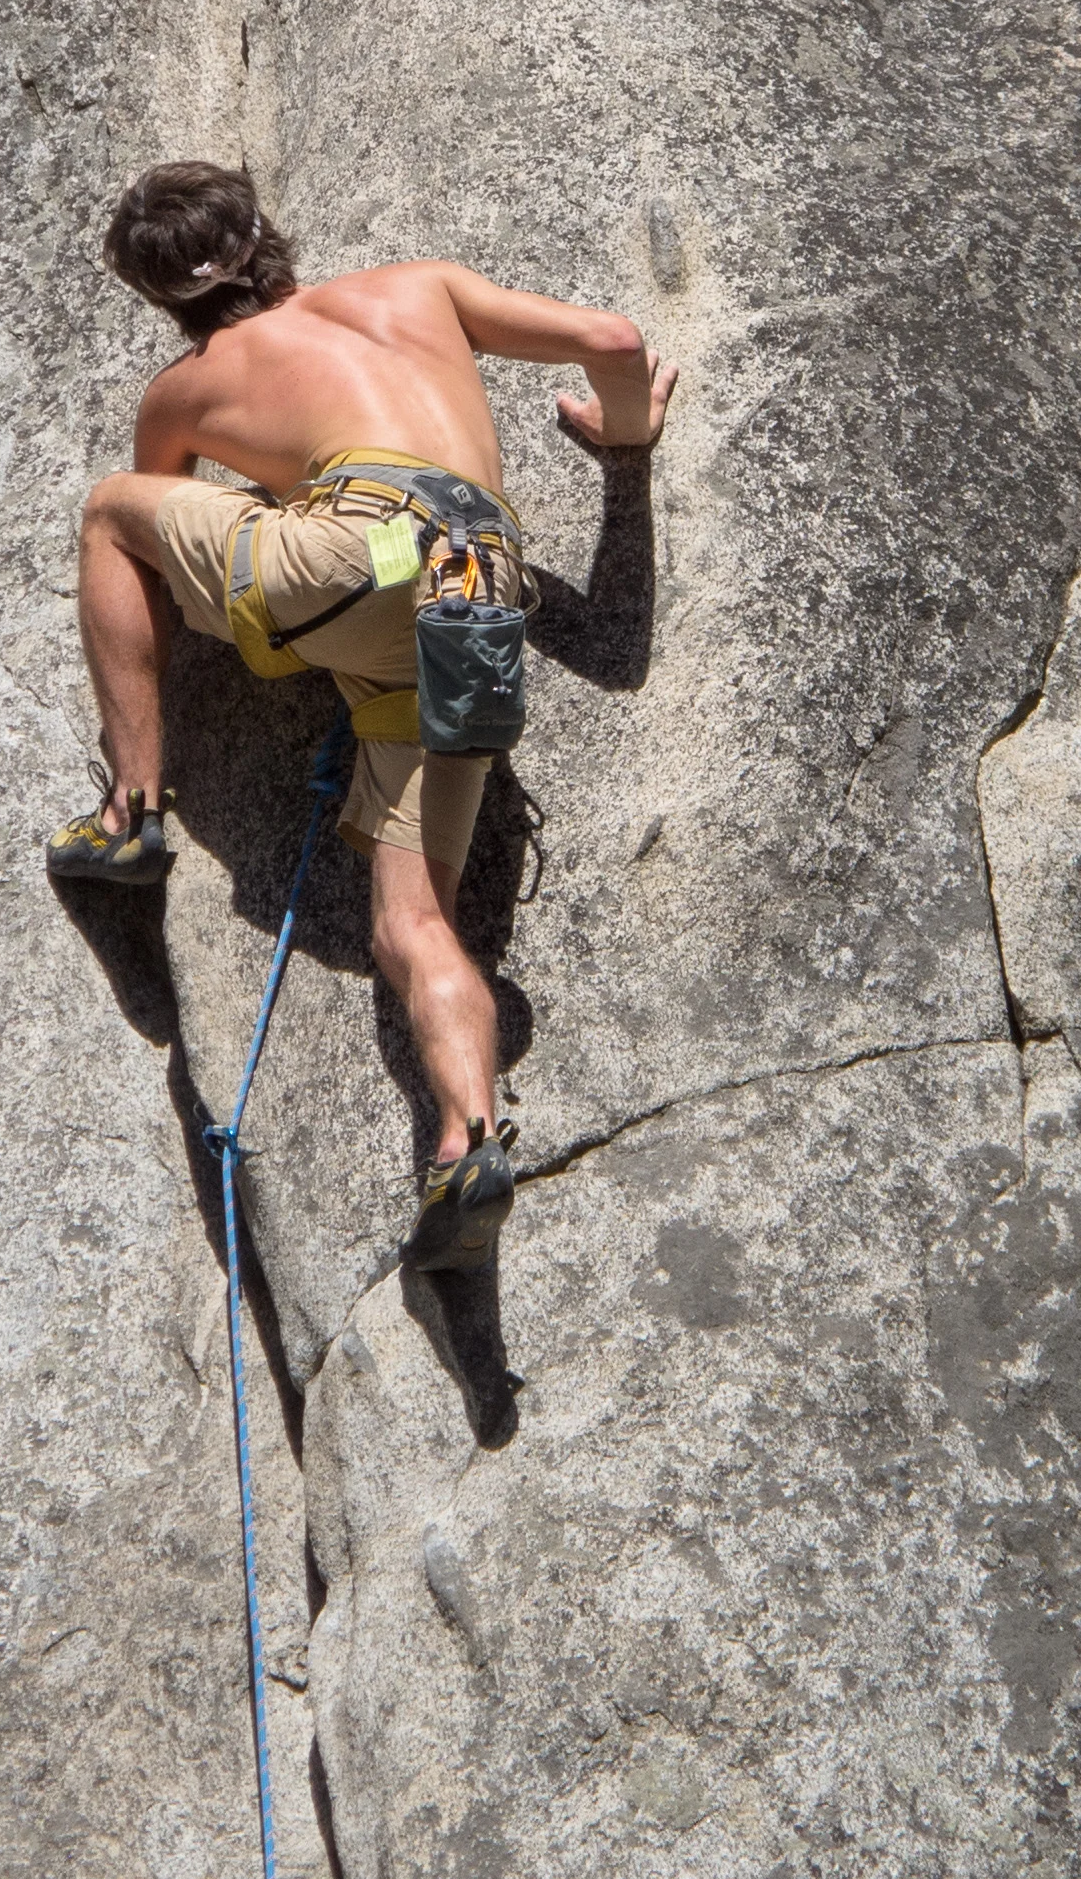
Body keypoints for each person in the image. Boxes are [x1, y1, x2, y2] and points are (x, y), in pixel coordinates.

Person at [47, 160, 678, 1266]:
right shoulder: (418, 287)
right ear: (261, 230)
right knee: (414, 924)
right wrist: (624, 441)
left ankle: (128, 812)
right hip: (480, 590)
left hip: (357, 556)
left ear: (159, 295)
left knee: (109, 512)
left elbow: (164, 529)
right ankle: (467, 1138)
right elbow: (615, 341)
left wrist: (267, 489)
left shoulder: (186, 389)